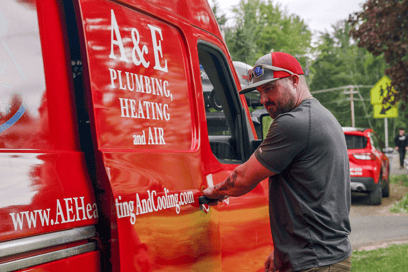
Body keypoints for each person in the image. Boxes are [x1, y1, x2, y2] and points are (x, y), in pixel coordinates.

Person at [203, 52, 352, 272]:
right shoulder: (323, 116)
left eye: (270, 88)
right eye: (260, 92)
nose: (263, 100)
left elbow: (242, 179)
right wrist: (284, 249)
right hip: (325, 255)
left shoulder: (292, 122)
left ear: (294, 80)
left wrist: (211, 193)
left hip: (315, 262)